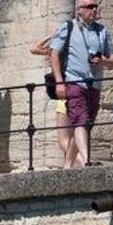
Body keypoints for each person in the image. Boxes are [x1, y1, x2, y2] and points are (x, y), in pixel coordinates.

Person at [48, 0, 113, 168]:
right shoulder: (69, 27)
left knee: (86, 125)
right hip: (74, 81)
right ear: (79, 10)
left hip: (95, 83)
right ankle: (86, 161)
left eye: (95, 6)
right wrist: (60, 82)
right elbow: (53, 53)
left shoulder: (102, 31)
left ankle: (68, 165)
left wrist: (103, 62)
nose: (93, 10)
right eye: (89, 6)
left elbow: (112, 61)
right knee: (80, 122)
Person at [30, 36, 75, 168]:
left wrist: (52, 35)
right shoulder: (72, 52)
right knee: (74, 136)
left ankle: (84, 160)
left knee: (63, 140)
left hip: (63, 96)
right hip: (76, 93)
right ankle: (71, 165)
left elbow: (34, 48)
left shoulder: (56, 51)